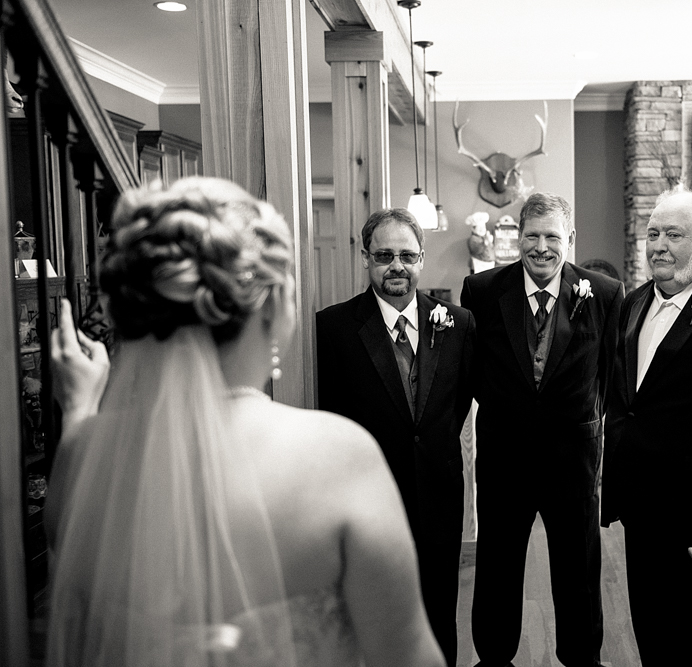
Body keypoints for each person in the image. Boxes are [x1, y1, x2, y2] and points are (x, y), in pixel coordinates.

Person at [45, 177, 445, 667]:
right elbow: (407, 657)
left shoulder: (83, 453)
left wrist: (79, 412)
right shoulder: (338, 456)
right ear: (275, 306)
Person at [460, 192, 624, 667]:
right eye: (532, 235)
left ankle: (581, 658)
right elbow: (473, 375)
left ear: (569, 239)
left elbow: (608, 380)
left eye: (552, 236)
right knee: (496, 566)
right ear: (518, 237)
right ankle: (493, 657)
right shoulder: (483, 291)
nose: (541, 247)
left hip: (572, 460)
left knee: (578, 568)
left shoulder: (605, 294)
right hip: (503, 457)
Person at [315, 208, 475, 667]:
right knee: (374, 616)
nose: (397, 266)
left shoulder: (459, 324)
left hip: (439, 495)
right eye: (384, 255)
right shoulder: (333, 328)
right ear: (365, 258)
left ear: (422, 259)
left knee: (441, 611)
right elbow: (332, 416)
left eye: (407, 255)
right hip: (370, 501)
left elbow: (456, 402)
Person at [600, 185, 692, 664]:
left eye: (674, 234)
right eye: (653, 234)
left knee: (691, 631)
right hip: (639, 502)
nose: (658, 246)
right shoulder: (632, 303)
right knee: (648, 622)